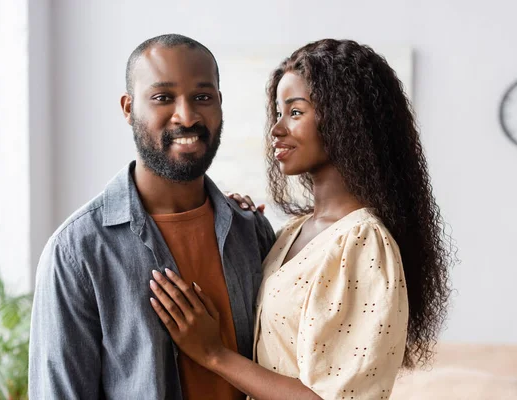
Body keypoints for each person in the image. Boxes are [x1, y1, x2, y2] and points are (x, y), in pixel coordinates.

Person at [149, 39, 453, 399]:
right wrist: (233, 218)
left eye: (295, 112)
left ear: (345, 117)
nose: (277, 129)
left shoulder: (364, 243)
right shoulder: (293, 232)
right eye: (278, 113)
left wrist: (213, 354)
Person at [28, 34, 276, 399]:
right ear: (128, 108)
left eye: (202, 97)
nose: (187, 116)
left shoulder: (250, 229)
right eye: (163, 97)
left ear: (220, 104)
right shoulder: (78, 251)